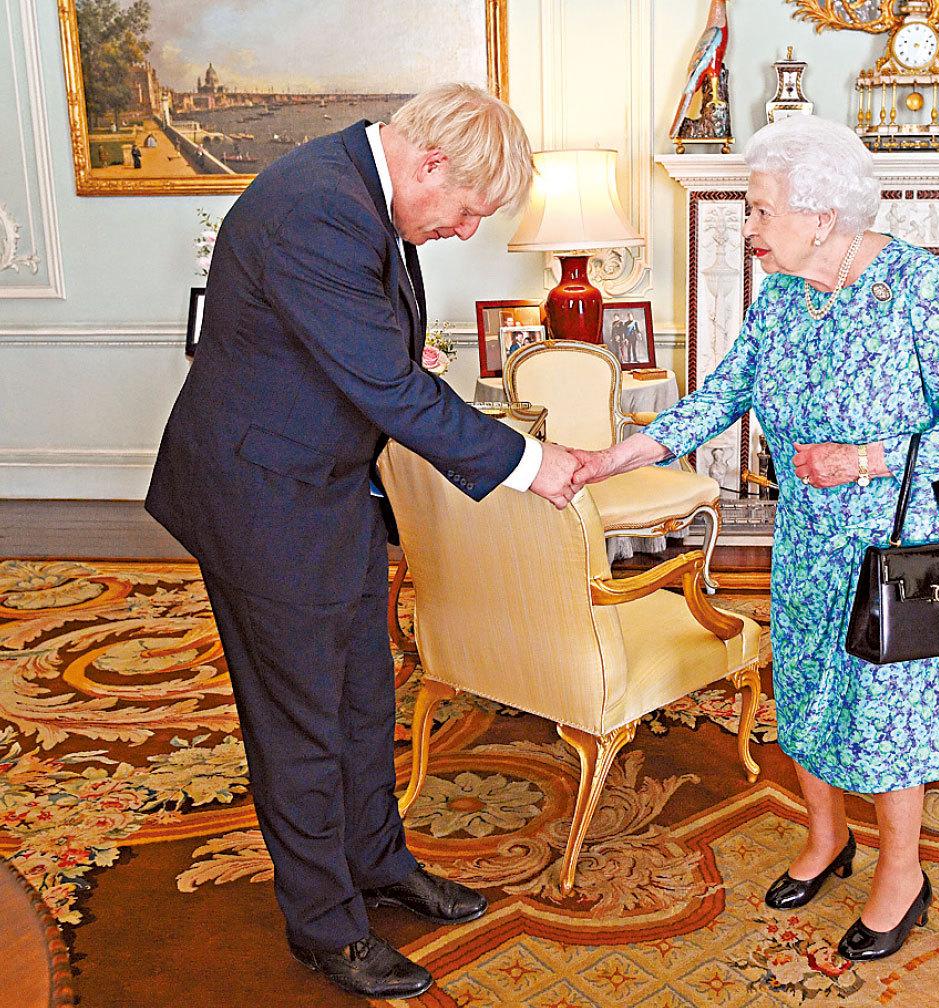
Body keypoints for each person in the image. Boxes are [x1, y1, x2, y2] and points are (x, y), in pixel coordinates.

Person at [145, 83, 580, 1000]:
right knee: (300, 723)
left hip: (326, 484)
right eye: (467, 210)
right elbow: (387, 383)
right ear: (430, 163)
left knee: (362, 698)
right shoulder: (318, 208)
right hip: (261, 499)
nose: (465, 231)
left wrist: (394, 361)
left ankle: (379, 863)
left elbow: (369, 351)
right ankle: (327, 928)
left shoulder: (360, 187)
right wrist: (532, 463)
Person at [571, 115, 939, 963]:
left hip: (897, 546)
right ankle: (826, 838)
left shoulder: (916, 284)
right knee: (807, 689)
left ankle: (903, 876)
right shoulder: (781, 294)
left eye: (762, 210)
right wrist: (619, 454)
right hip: (809, 540)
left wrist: (863, 459)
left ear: (822, 215)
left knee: (889, 712)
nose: (749, 226)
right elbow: (722, 394)